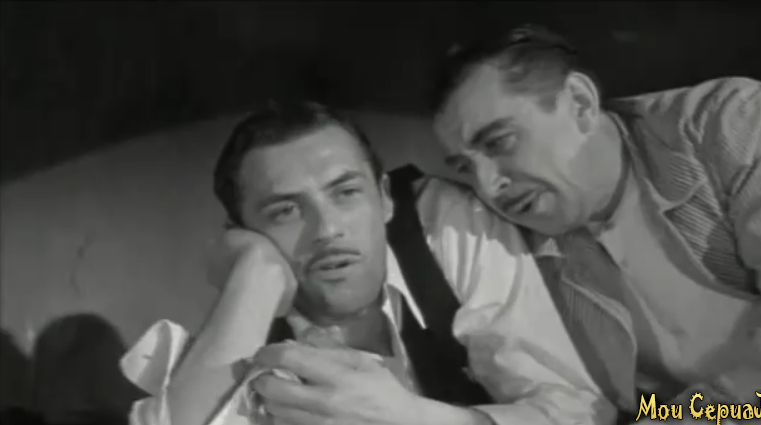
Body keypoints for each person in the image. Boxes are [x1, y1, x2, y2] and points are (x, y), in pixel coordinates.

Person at [120, 100, 617, 425]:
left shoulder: (446, 226)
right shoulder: (247, 318)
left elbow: (579, 412)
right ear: (243, 232)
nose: (327, 229)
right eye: (285, 210)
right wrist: (256, 271)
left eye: (346, 193)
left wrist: (412, 418)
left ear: (384, 198)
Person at [431, 23, 761, 422]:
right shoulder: (514, 249)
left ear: (580, 103)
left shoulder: (733, 126)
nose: (489, 186)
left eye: (499, 142)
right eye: (465, 168)